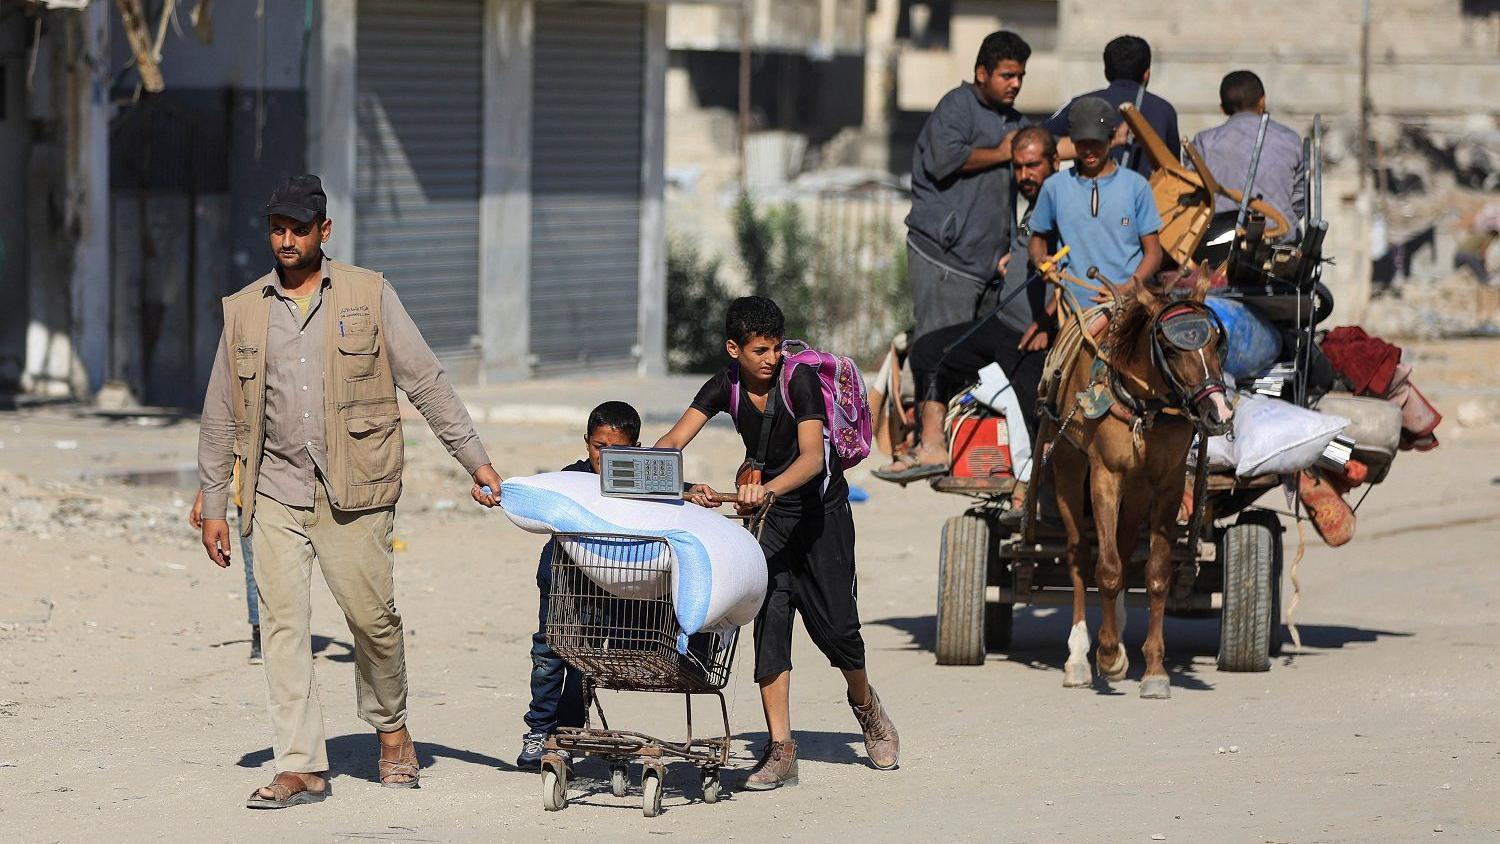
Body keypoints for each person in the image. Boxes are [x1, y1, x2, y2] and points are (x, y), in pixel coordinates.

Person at [197, 174, 504, 809]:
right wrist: (214, 502)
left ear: (323, 231)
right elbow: (221, 411)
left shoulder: (369, 293)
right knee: (284, 626)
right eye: (277, 227)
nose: (285, 239)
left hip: (355, 491)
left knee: (372, 621)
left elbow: (425, 382)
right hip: (276, 491)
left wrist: (476, 461)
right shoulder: (245, 307)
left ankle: (392, 731)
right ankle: (302, 765)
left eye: (298, 228)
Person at [655, 296, 899, 789]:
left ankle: (865, 704)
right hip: (769, 523)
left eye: (774, 348)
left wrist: (764, 489)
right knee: (771, 620)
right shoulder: (724, 385)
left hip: (820, 515)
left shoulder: (799, 381)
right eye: (759, 350)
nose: (770, 359)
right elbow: (672, 442)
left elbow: (811, 459)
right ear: (734, 349)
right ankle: (780, 746)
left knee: (838, 629)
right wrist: (680, 486)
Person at [875, 126, 1060, 485]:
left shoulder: (1065, 200)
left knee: (1035, 412)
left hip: (1033, 335)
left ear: (1054, 161)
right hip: (1003, 322)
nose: (1025, 175)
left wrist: (1049, 323)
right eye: (1019, 167)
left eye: (1034, 166)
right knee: (930, 350)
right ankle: (931, 445)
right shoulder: (1036, 204)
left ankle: (1042, 489)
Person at [516, 401, 642, 770]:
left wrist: (694, 490)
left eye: (618, 449)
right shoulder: (572, 478)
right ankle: (539, 731)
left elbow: (671, 497)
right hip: (563, 583)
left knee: (583, 662)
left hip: (606, 588)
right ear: (587, 442)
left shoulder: (641, 483)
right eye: (599, 447)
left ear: (635, 449)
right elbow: (538, 499)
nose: (606, 456)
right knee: (549, 654)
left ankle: (566, 734)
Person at [905, 30, 1032, 343]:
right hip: (947, 262)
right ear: (981, 73)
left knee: (976, 369)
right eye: (1007, 75)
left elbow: (1046, 147)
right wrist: (1002, 153)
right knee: (939, 356)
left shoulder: (1014, 121)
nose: (1016, 83)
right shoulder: (957, 106)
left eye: (1020, 76)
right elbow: (944, 159)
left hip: (989, 271)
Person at [1029, 96, 1164, 313]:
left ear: (1111, 139)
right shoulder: (1054, 187)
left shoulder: (1136, 186)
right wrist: (1040, 261)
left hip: (1129, 308)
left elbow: (1154, 253)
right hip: (1075, 311)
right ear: (1072, 141)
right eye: (1082, 142)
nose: (1089, 150)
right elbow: (1037, 240)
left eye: (1096, 142)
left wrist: (1127, 288)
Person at [1192, 70, 1307, 240]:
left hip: (1219, 246)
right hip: (1279, 240)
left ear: (1222, 109)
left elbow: (1193, 196)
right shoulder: (1290, 140)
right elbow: (1300, 197)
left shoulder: (1203, 142)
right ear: (1262, 101)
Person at [1044, 35, 1179, 178]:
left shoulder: (1081, 104)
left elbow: (1037, 141)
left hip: (1091, 196)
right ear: (1147, 73)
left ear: (1106, 72)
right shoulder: (1165, 110)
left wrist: (1084, 145)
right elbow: (1175, 170)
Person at [188, 464, 261, 664]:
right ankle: (259, 633)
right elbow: (225, 450)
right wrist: (205, 498)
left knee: (290, 568)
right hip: (247, 498)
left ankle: (290, 630)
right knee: (254, 568)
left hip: (291, 498)